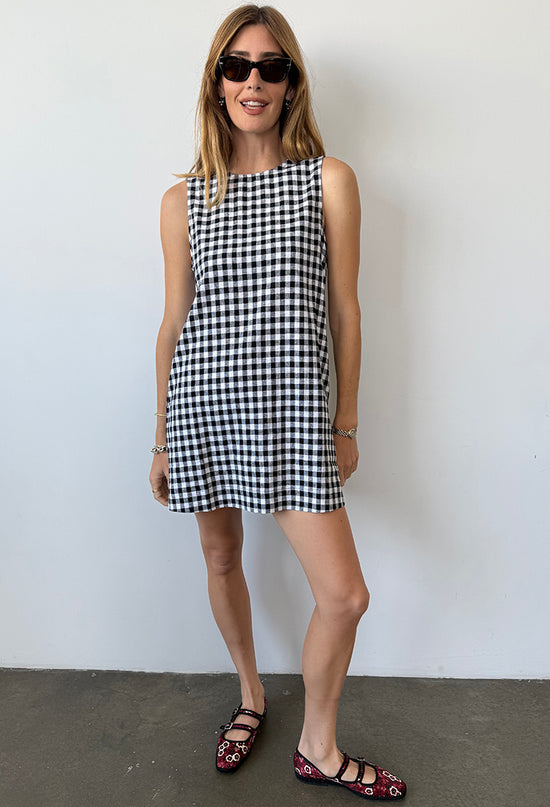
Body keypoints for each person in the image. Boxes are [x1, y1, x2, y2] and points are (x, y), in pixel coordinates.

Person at [149, 4, 406, 801]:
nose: (252, 80)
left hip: (295, 416)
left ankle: (318, 746)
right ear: (216, 81)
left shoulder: (328, 180)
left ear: (291, 84)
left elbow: (347, 311)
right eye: (237, 65)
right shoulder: (183, 198)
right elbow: (174, 321)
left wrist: (347, 422)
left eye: (271, 67)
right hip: (203, 409)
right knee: (221, 556)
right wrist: (161, 436)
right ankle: (251, 695)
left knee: (345, 594)